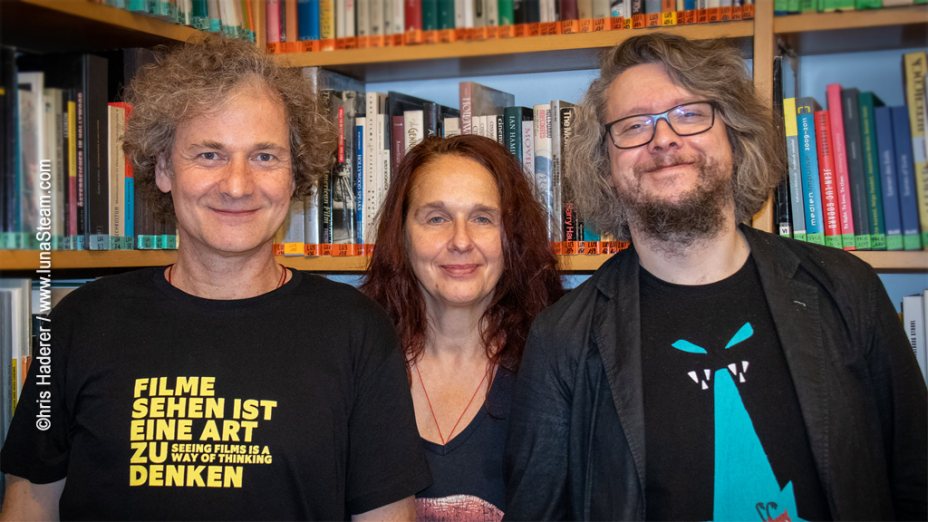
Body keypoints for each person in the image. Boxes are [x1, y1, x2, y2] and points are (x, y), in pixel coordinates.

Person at [0, 35, 429, 520]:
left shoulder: (358, 330)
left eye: (265, 156)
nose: (237, 184)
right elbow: (29, 504)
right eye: (209, 154)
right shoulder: (78, 323)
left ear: (295, 175)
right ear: (163, 168)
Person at [505, 33, 928, 521]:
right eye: (634, 125)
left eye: (689, 114)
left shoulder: (847, 288)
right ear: (604, 168)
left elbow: (916, 481)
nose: (663, 139)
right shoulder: (563, 340)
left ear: (735, 133)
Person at [361, 135, 563, 520]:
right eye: (436, 218)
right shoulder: (356, 364)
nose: (460, 241)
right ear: (401, 235)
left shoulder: (556, 366)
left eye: (483, 218)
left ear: (512, 238)